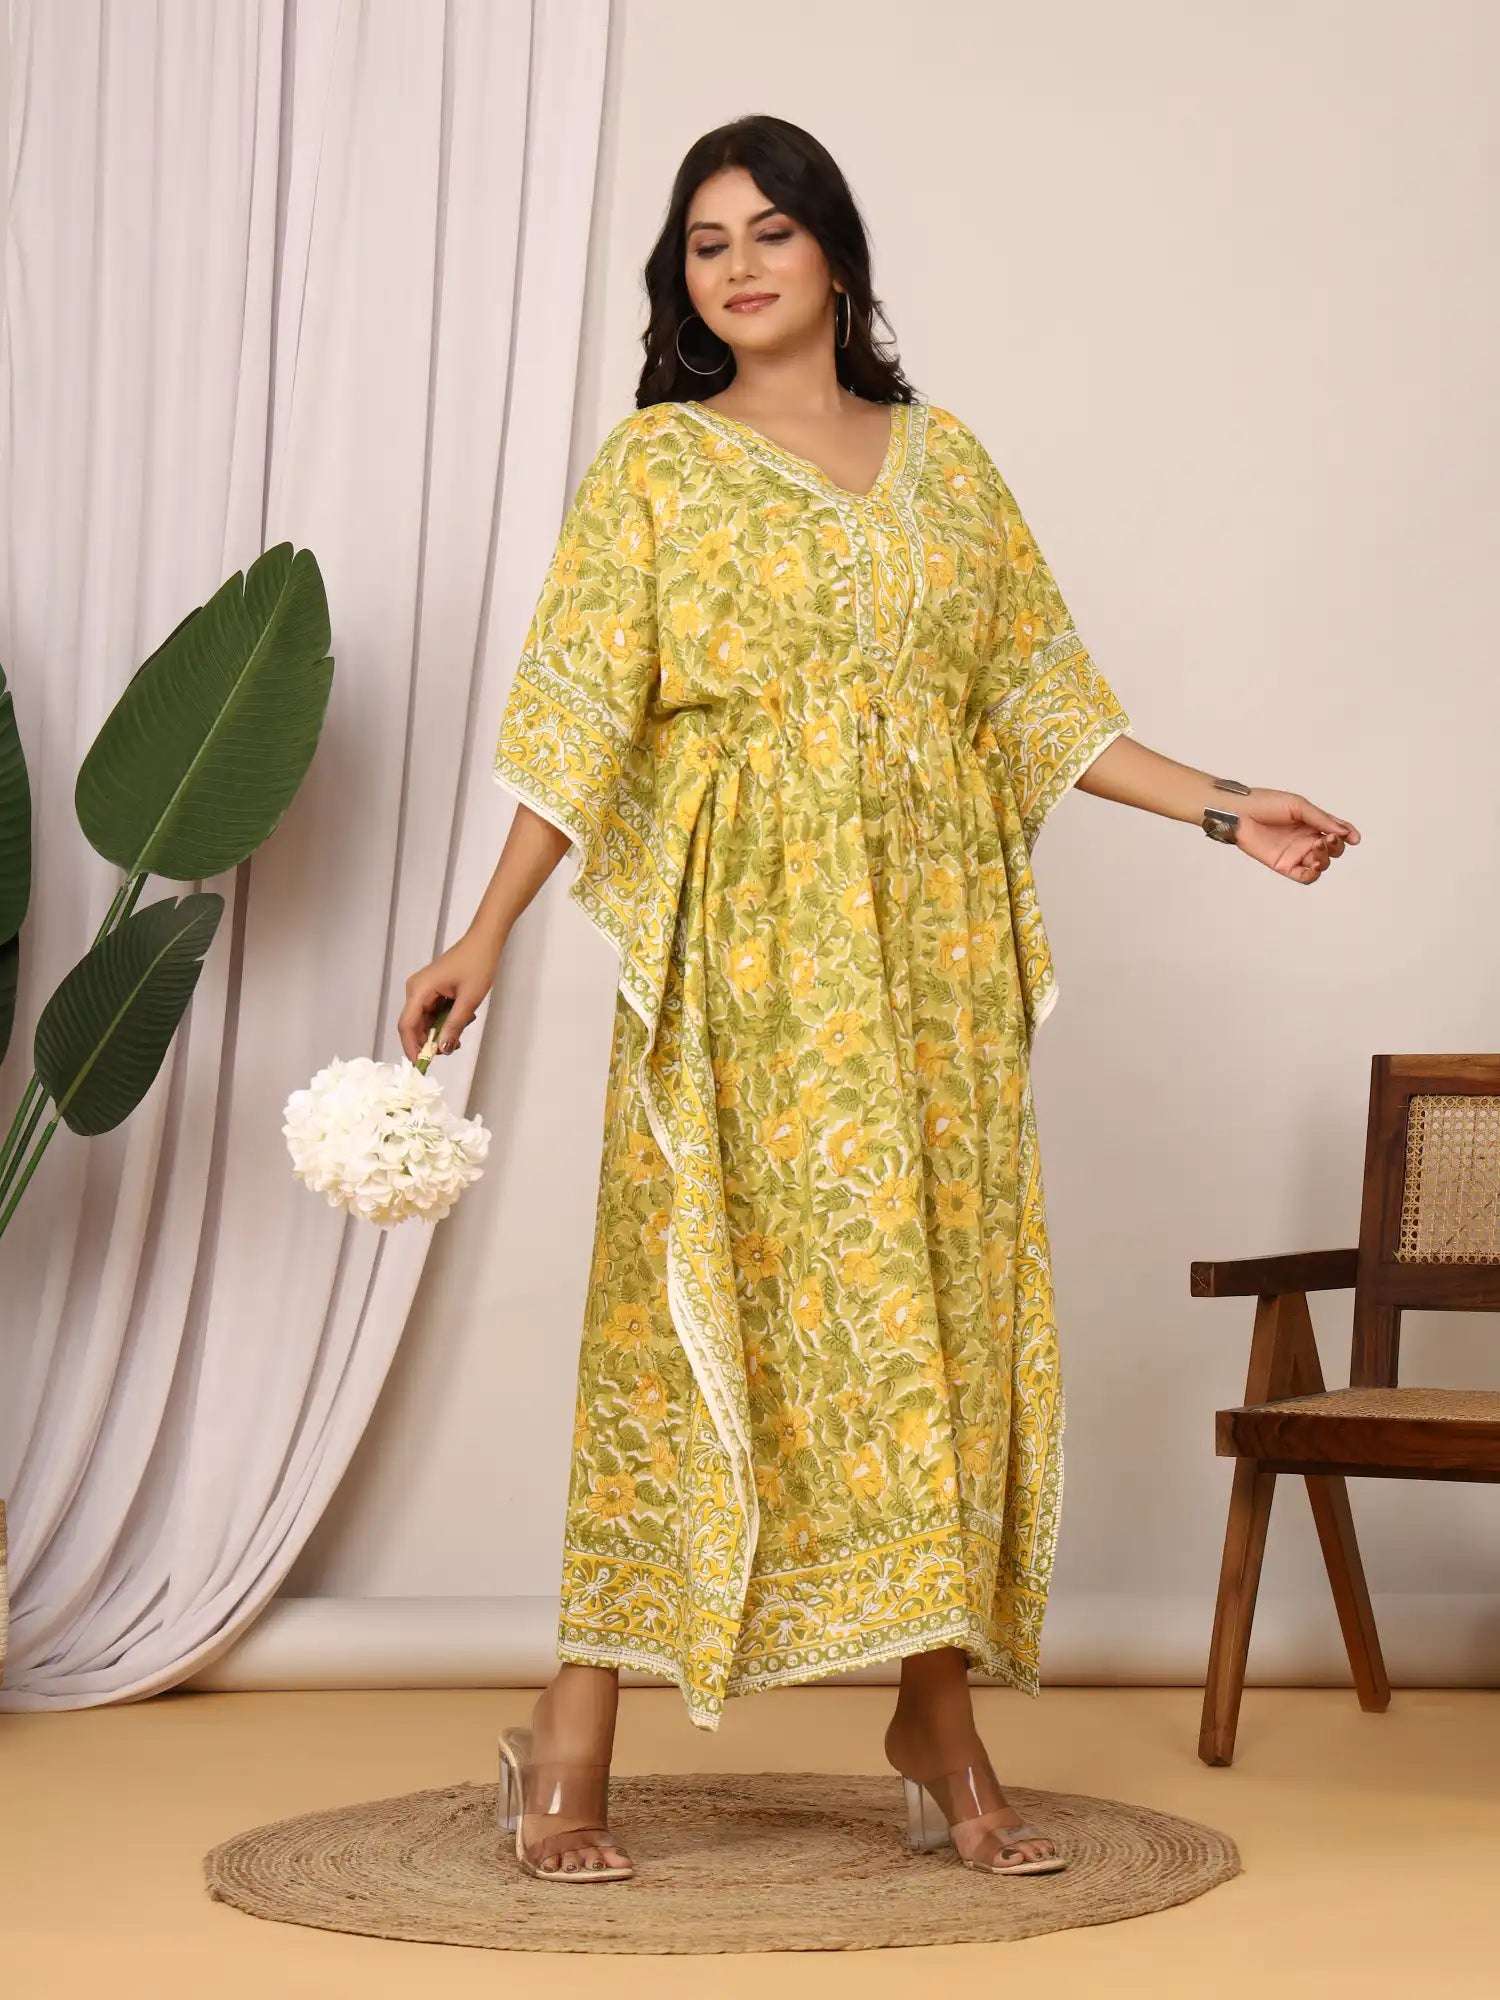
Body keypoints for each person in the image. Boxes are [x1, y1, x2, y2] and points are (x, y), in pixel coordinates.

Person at [399, 114, 1360, 1885]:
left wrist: (1229, 807)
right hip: (741, 961)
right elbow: (578, 715)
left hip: (926, 975)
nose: (740, 265)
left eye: (771, 231)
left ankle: (938, 1718)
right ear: (682, 282)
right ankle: (576, 1723)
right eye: (707, 244)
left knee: (925, 1320)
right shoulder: (658, 468)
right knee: (685, 1318)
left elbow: (1042, 701)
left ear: (836, 254)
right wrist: (485, 933)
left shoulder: (950, 465)